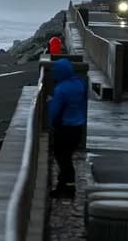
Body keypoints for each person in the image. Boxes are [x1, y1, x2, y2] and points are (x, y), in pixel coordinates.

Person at [48, 58, 87, 199]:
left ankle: (66, 188)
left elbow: (54, 111)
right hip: (78, 126)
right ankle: (66, 186)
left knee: (62, 157)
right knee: (67, 156)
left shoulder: (60, 89)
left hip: (65, 128)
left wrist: (51, 123)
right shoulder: (80, 84)